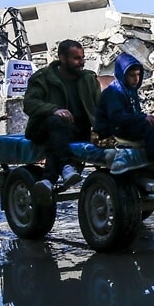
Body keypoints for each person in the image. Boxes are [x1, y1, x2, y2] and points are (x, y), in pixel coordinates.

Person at [23, 39, 100, 201]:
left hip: (74, 131)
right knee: (57, 124)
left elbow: (99, 106)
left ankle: (48, 179)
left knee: (58, 141)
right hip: (43, 128)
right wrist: (54, 110)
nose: (81, 62)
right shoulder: (43, 77)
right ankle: (66, 166)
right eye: (76, 58)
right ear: (62, 59)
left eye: (82, 58)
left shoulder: (88, 79)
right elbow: (29, 104)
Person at [96, 53, 154, 169]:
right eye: (132, 75)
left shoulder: (130, 90)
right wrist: (143, 119)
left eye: (138, 74)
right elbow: (117, 117)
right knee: (152, 131)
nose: (136, 79)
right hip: (111, 129)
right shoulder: (114, 92)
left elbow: (135, 113)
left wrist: (153, 120)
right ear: (122, 74)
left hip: (124, 125)